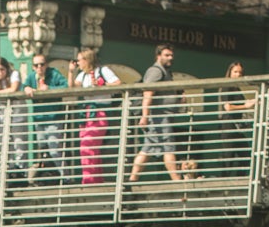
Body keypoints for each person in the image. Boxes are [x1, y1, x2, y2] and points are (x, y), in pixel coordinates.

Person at [128, 45, 195, 183]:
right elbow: (148, 93)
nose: (170, 58)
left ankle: (132, 180)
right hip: (158, 117)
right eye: (167, 55)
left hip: (161, 117)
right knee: (168, 148)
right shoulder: (156, 71)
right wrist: (145, 116)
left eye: (171, 55)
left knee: (147, 149)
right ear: (158, 56)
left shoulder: (165, 72)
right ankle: (176, 181)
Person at [72, 47, 121, 185]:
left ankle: (89, 181)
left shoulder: (103, 71)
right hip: (86, 113)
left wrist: (102, 84)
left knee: (87, 146)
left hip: (99, 111)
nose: (78, 63)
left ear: (87, 60)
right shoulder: (82, 75)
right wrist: (71, 72)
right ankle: (96, 180)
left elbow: (118, 83)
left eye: (79, 60)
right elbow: (72, 87)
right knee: (91, 147)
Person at [24, 52, 70, 186]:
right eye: (36, 65)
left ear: (47, 65)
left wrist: (49, 88)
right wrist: (26, 88)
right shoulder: (32, 76)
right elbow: (23, 86)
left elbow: (65, 87)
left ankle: (65, 178)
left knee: (55, 149)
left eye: (42, 64)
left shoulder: (54, 73)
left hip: (53, 117)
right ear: (33, 67)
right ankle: (47, 177)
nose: (39, 67)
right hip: (39, 118)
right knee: (42, 149)